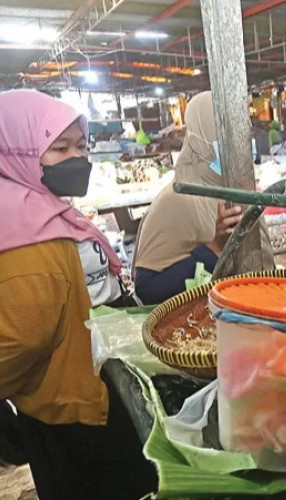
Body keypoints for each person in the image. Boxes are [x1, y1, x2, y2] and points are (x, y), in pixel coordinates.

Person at [0, 89, 157, 499]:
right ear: (19, 151)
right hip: (74, 401)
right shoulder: (23, 226)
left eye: (81, 146)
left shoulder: (41, 206)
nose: (77, 158)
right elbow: (24, 335)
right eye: (60, 148)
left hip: (88, 380)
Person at [133, 92, 275, 305]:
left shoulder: (239, 187)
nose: (239, 144)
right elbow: (147, 290)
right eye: (226, 135)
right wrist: (214, 250)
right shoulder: (176, 199)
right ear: (202, 136)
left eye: (242, 133)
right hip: (202, 327)